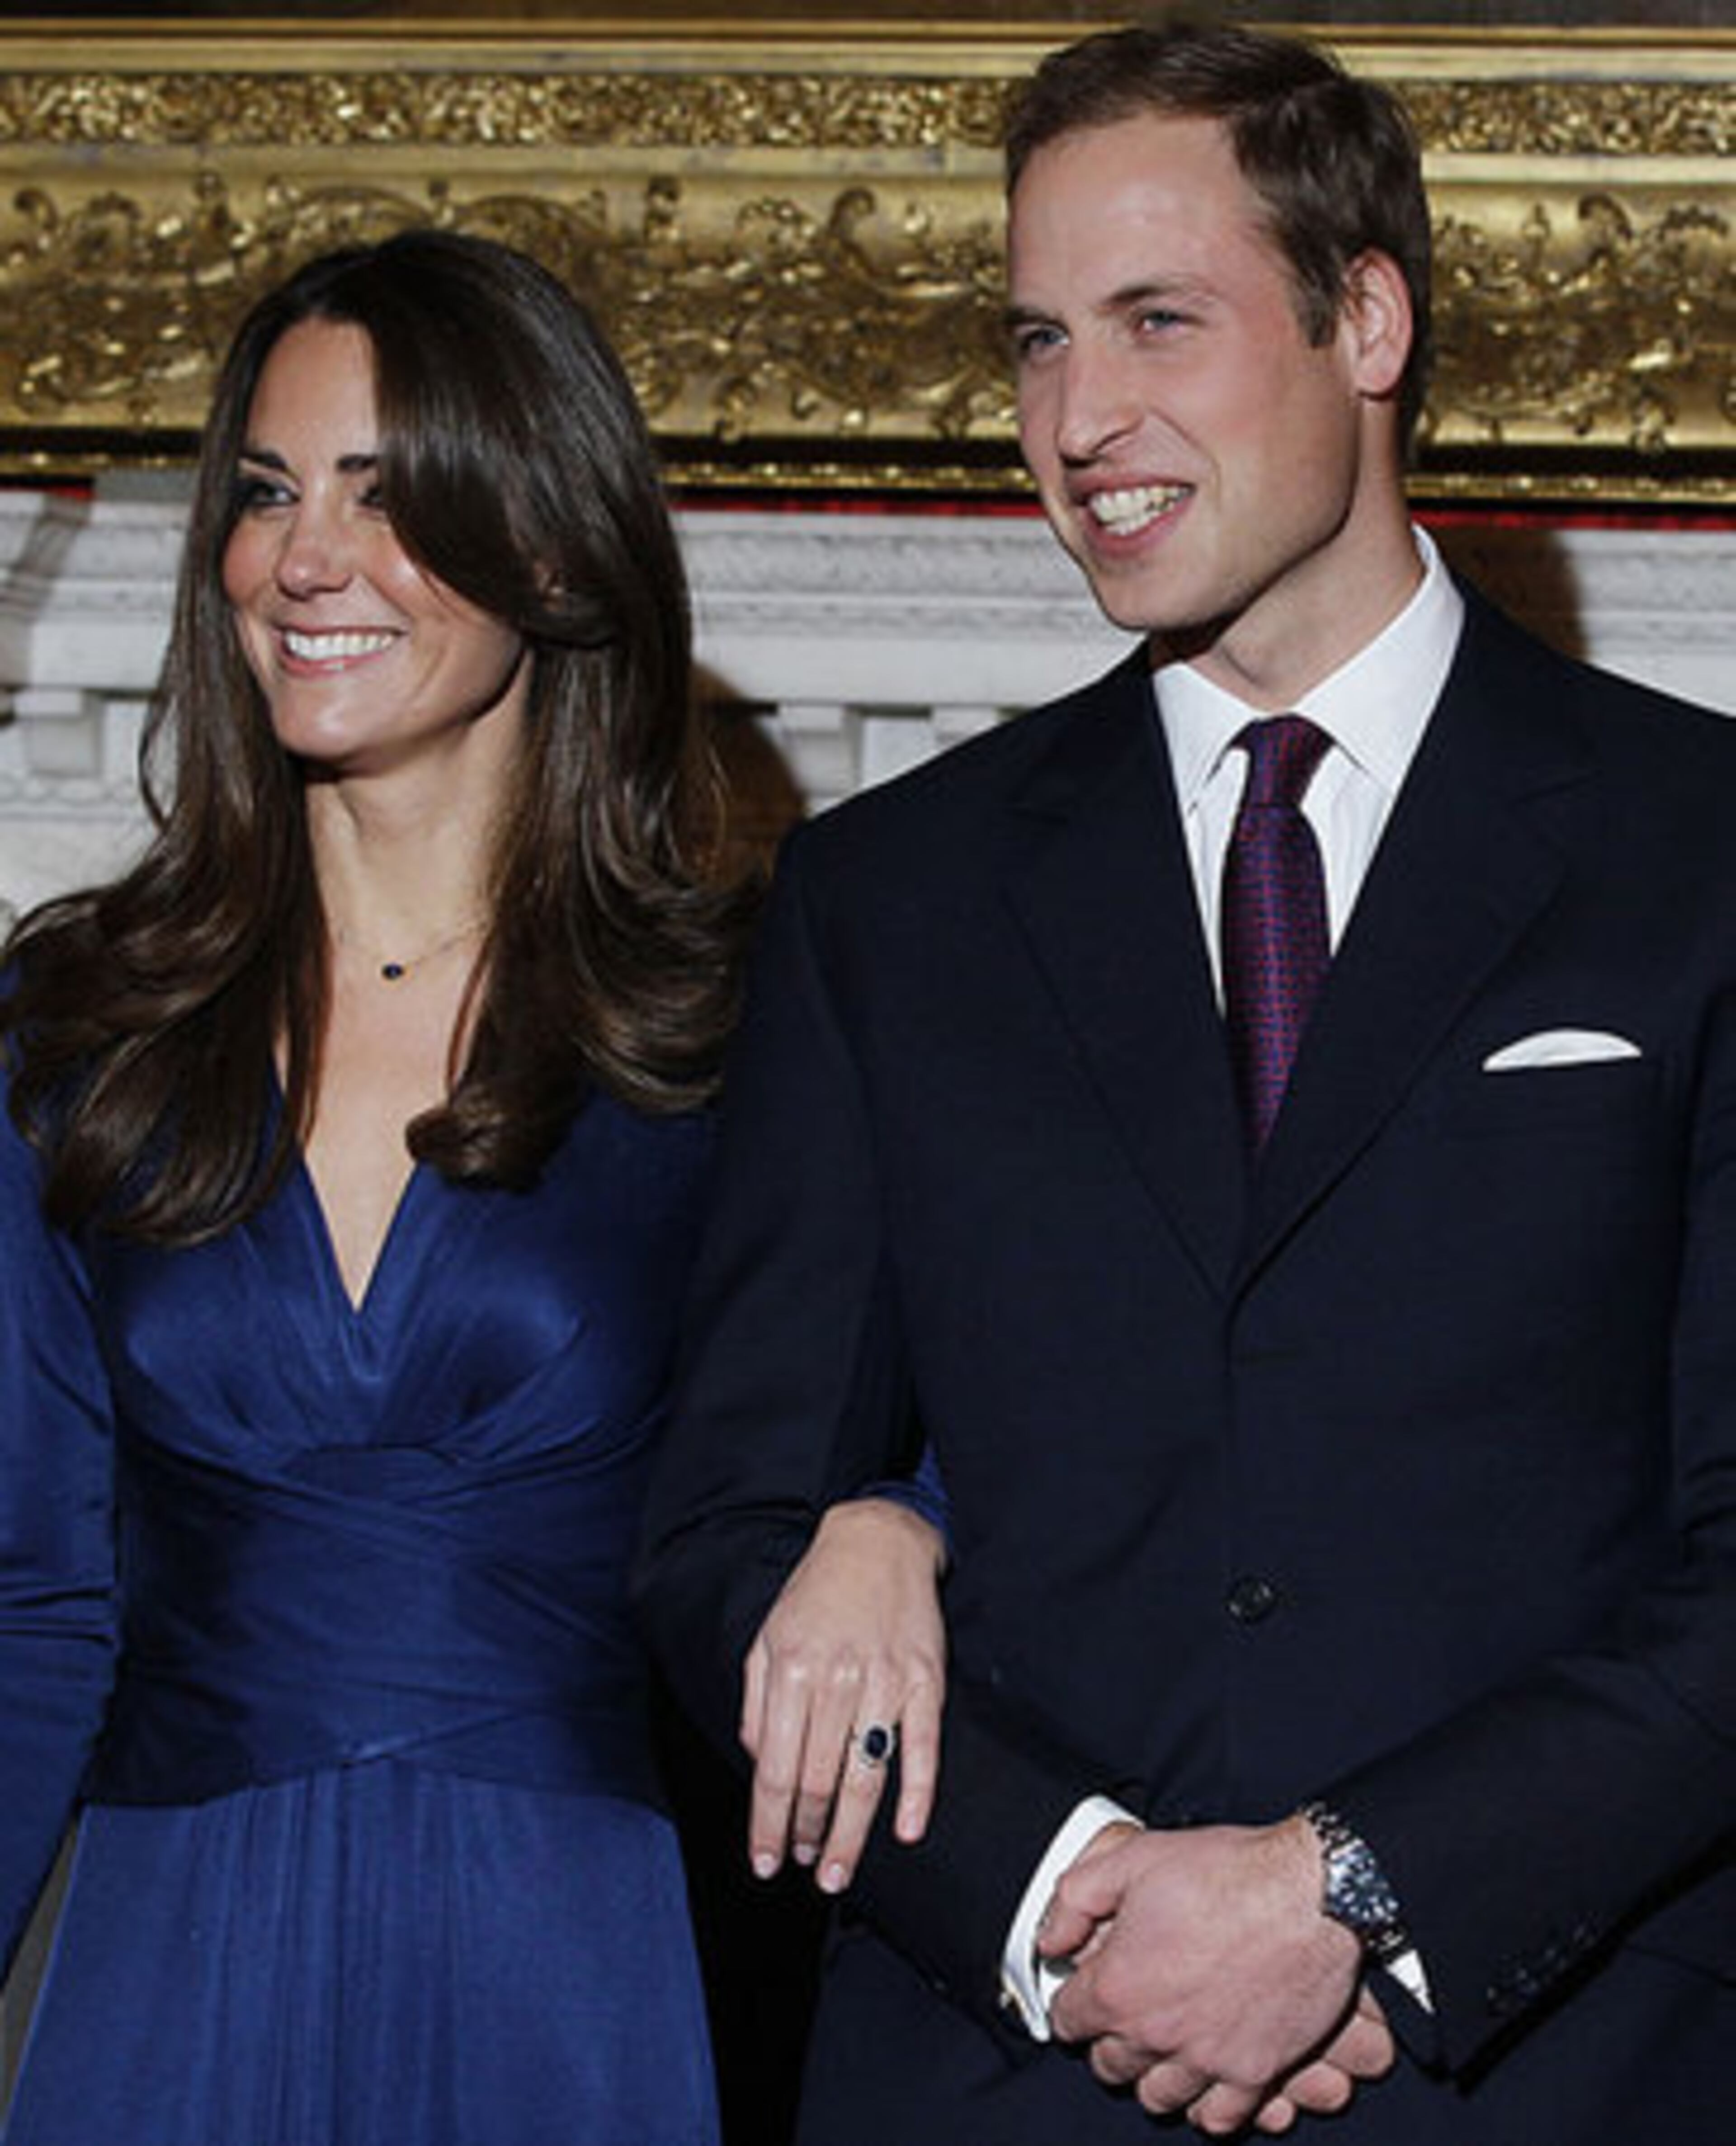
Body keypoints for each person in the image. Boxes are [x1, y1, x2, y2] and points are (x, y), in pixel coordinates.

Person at [637, 21, 1736, 2143]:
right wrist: (1064, 1902)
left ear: (1370, 319)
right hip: (1001, 2063)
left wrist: (1356, 1894)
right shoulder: (892, 896)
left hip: (1552, 2058)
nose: (1080, 420)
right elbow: (722, 1531)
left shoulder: (1699, 852)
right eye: (1039, 340)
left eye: (1161, 320)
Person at [0, 227, 937, 2146]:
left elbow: (995, 1402)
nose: (304, 557)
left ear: (560, 547)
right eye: (264, 493)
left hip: (581, 1965)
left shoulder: (744, 1024)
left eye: (388, 492)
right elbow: (32, 1589)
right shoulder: (77, 1021)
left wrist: (896, 1518)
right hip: (168, 1969)